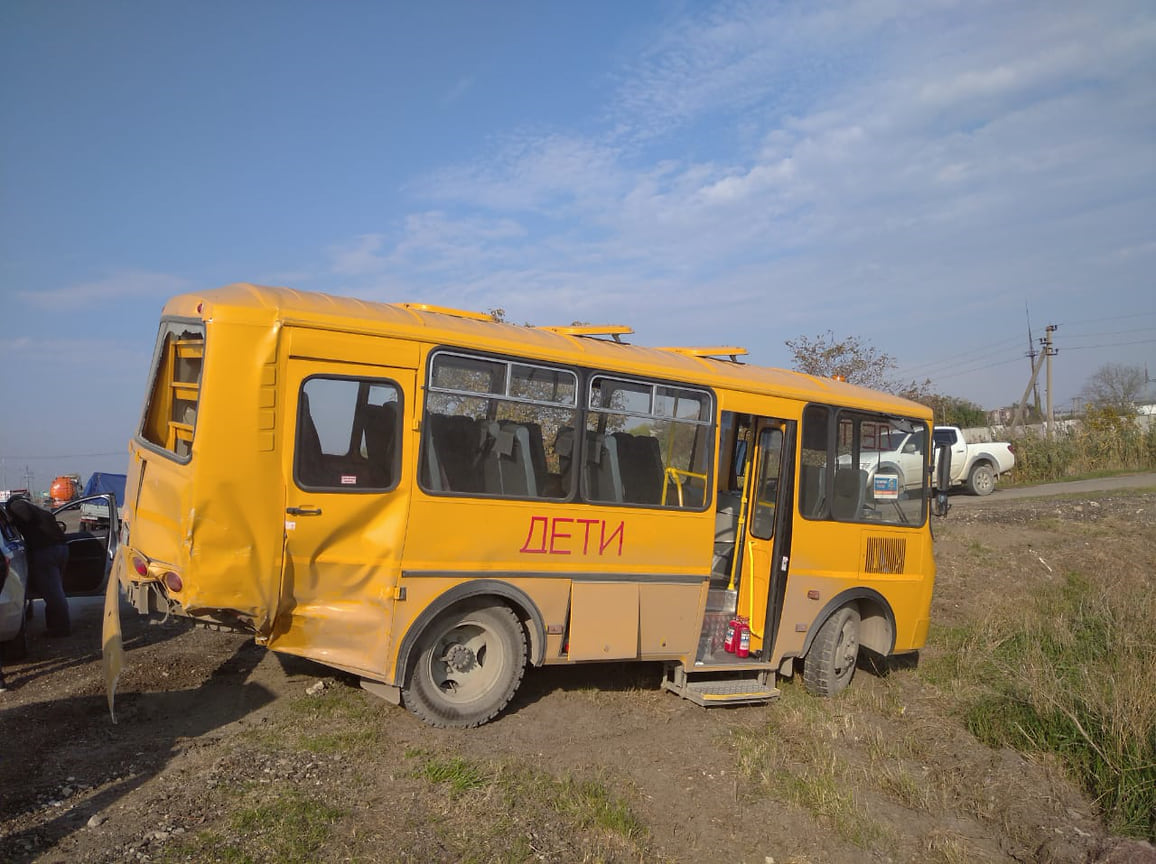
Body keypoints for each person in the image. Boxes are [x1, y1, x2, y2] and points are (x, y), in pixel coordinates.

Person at [7, 497, 71, 637]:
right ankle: (56, 625)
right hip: (60, 548)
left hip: (45, 551)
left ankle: (60, 628)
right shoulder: (40, 512)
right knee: (55, 590)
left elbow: (25, 516)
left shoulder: (17, 506)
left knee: (53, 592)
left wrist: (11, 520)